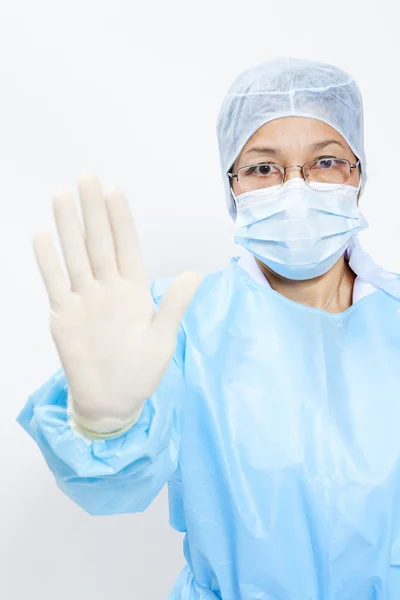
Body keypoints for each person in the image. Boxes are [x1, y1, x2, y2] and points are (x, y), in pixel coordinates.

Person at [17, 56, 400, 599]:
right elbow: (111, 490)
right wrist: (104, 425)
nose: (296, 187)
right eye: (263, 168)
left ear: (357, 175)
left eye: (326, 162)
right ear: (232, 186)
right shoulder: (180, 322)